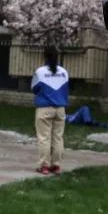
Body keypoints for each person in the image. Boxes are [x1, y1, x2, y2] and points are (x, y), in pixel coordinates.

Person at [31, 45, 69, 176]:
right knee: (58, 138)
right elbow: (65, 90)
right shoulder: (64, 72)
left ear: (44, 56)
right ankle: (56, 165)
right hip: (60, 109)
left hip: (45, 108)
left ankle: (44, 165)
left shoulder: (40, 72)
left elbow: (34, 89)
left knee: (44, 138)